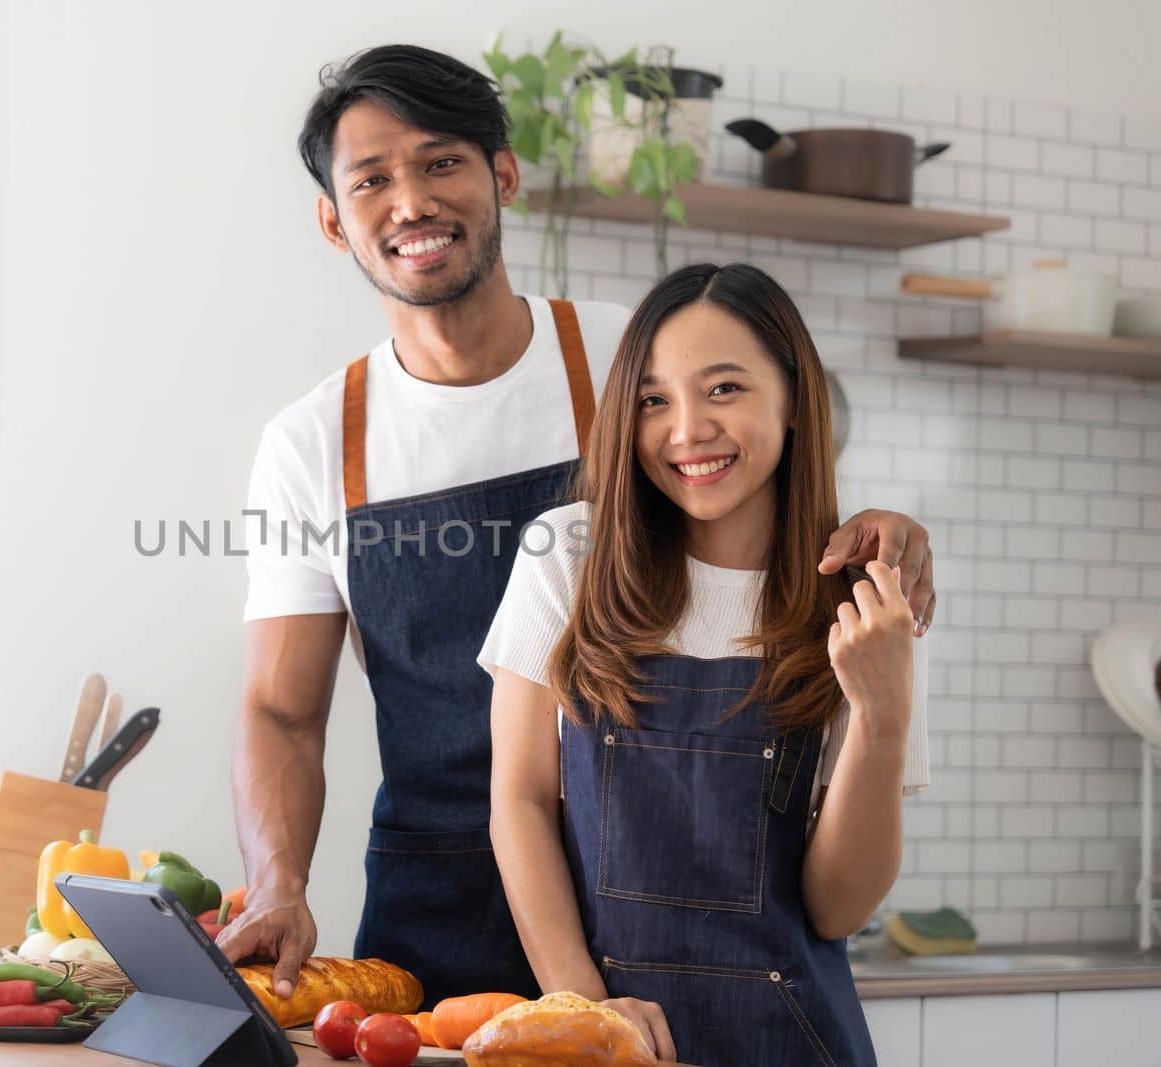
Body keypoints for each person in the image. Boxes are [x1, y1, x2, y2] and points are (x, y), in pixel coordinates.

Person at [219, 44, 938, 1010]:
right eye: (371, 179)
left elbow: (756, 486)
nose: (412, 202)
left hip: (644, 898)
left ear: (502, 173)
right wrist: (277, 880)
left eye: (442, 162)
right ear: (332, 220)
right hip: (435, 908)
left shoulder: (626, 361)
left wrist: (878, 529)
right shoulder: (312, 444)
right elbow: (280, 709)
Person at [481, 262, 929, 1064]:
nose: (686, 429)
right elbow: (517, 799)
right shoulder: (566, 555)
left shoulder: (864, 605)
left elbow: (835, 908)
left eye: (724, 389)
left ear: (794, 400)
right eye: (654, 399)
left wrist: (883, 717)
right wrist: (584, 1007)